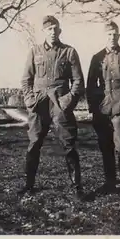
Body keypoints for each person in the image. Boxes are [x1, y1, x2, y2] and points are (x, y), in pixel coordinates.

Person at [20, 15, 86, 200]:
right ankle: (29, 185)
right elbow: (26, 80)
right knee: (34, 144)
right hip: (39, 104)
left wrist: (68, 101)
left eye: (55, 29)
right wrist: (29, 100)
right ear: (44, 31)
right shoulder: (34, 51)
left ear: (60, 31)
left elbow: (78, 81)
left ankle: (77, 187)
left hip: (60, 104)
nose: (53, 32)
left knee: (68, 144)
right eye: (49, 29)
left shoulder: (69, 52)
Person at [86, 21, 120, 195]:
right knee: (105, 145)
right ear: (104, 36)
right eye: (109, 34)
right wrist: (94, 107)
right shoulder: (97, 58)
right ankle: (110, 182)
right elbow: (90, 84)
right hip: (102, 108)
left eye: (115, 34)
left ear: (119, 36)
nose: (112, 37)